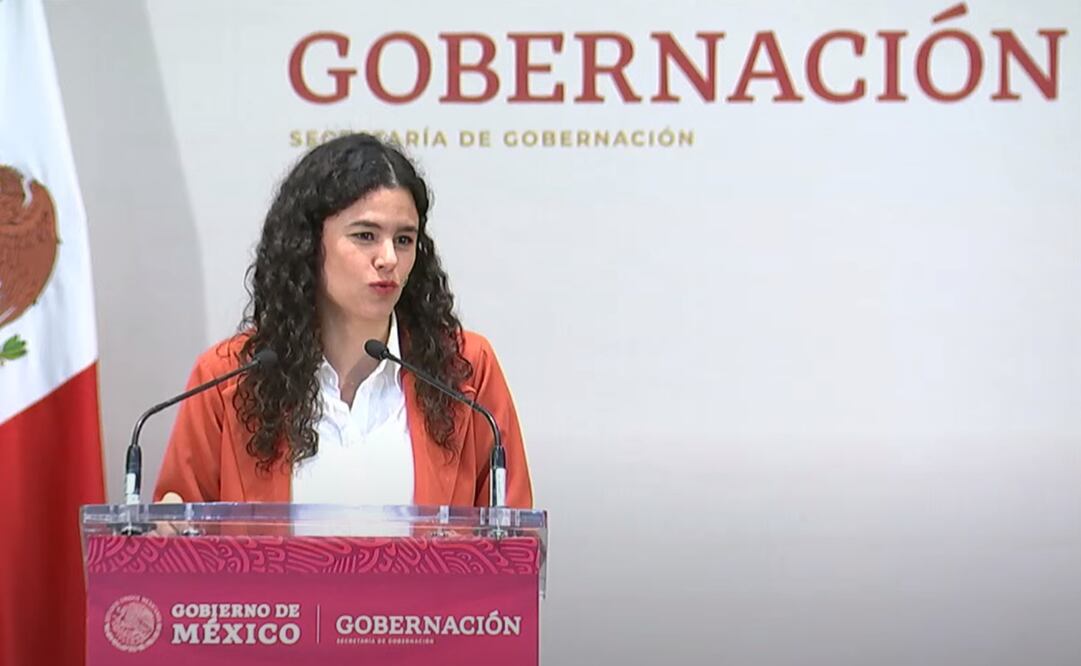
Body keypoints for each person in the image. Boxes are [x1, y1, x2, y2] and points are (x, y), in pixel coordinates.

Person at [154, 133, 532, 508]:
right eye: (365, 235)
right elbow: (177, 537)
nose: (388, 258)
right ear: (308, 243)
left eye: (403, 240)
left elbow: (513, 544)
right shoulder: (230, 377)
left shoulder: (463, 369)